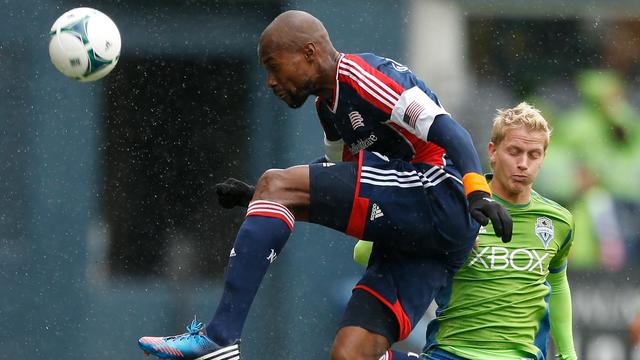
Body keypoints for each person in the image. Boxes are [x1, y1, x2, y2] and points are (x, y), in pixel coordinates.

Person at [138, 10, 512, 360]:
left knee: (278, 183)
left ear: (309, 53)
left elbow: (453, 132)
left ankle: (219, 339)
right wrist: (259, 196)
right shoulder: (328, 109)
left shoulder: (365, 76)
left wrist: (477, 191)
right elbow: (335, 178)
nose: (270, 81)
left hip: (436, 194)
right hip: (422, 238)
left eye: (274, 66)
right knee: (350, 354)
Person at [355, 102, 577, 360]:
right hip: (451, 353)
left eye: (533, 154)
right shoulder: (452, 206)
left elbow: (557, 281)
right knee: (354, 353)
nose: (523, 164)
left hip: (521, 356)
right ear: (492, 152)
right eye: (514, 152)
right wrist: (434, 238)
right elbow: (362, 253)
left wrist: (567, 355)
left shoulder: (558, 220)